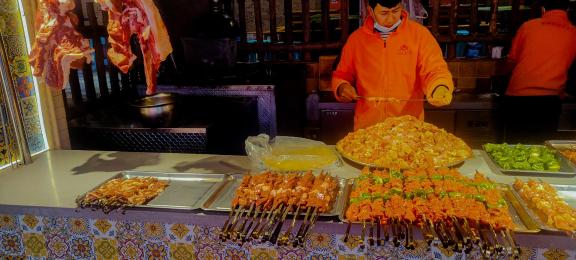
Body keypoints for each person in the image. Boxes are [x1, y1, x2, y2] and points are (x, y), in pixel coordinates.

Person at [332, 0, 454, 130]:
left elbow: (435, 69)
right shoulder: (356, 40)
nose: (390, 18)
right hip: (368, 129)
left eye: (395, 11)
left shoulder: (420, 35)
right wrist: (341, 87)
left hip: (409, 129)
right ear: (371, 11)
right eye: (384, 13)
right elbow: (341, 75)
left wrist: (440, 86)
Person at [503, 0, 576, 144]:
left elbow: (511, 60)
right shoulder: (574, 33)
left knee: (512, 149)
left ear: (543, 9)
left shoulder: (528, 27)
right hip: (549, 101)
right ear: (567, 9)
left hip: (518, 97)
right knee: (542, 151)